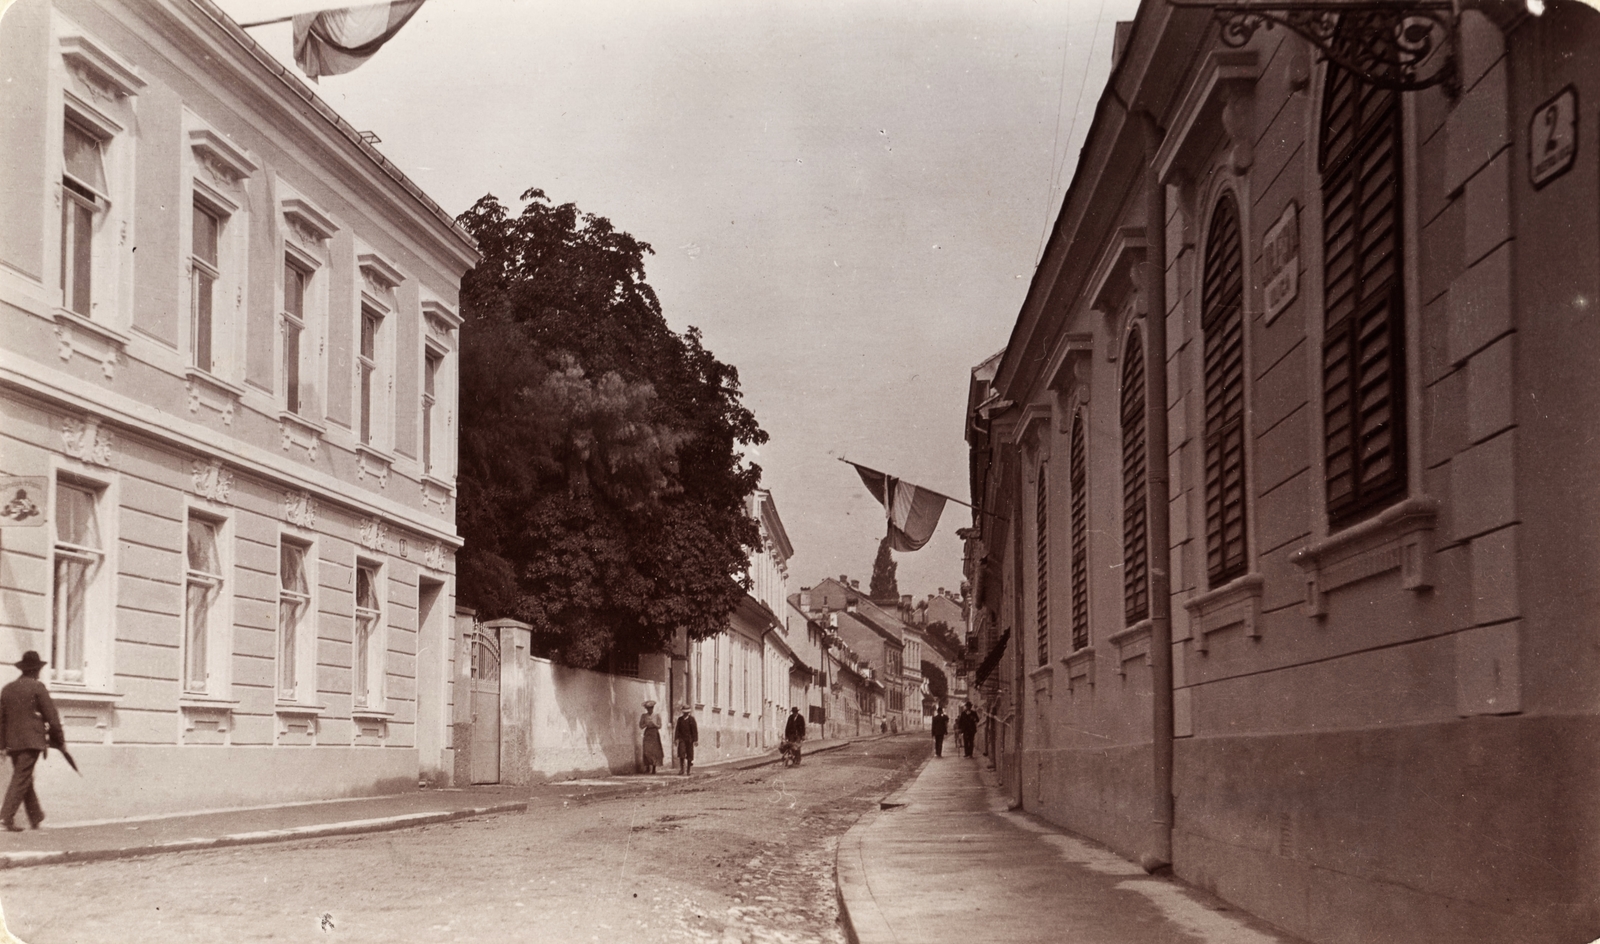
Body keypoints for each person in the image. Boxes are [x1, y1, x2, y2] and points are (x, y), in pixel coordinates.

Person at [0, 652, 63, 831]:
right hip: (31, 741)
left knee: (23, 776)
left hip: (12, 743)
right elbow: (52, 717)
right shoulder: (37, 687)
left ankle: (36, 818)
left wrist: (2, 745)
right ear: (36, 670)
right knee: (22, 777)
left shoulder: (7, 688)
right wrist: (60, 740)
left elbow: (1, 720)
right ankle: (5, 819)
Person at [639, 700, 664, 774]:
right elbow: (641, 726)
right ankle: (647, 767)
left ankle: (654, 768)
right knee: (647, 750)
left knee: (654, 751)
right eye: (648, 708)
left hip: (655, 733)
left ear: (653, 708)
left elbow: (660, 726)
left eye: (650, 708)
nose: (649, 709)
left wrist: (654, 724)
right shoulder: (644, 716)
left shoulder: (657, 715)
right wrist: (646, 724)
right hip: (647, 733)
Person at [673, 704, 698, 776]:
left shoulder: (691, 719)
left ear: (688, 712)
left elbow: (694, 730)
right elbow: (677, 729)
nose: (685, 713)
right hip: (682, 739)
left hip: (689, 739)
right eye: (684, 712)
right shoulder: (680, 719)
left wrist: (695, 740)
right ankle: (682, 769)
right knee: (681, 753)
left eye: (687, 712)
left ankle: (688, 770)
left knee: (689, 754)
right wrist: (676, 739)